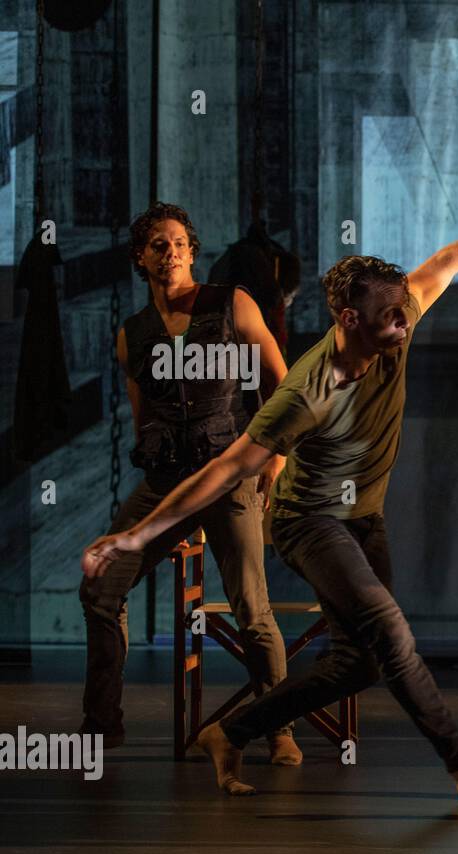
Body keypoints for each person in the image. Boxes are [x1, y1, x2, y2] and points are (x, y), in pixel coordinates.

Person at [82, 225, 458, 808]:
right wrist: (134, 536)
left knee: (360, 665)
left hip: (363, 520)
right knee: (394, 633)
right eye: (389, 314)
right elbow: (224, 470)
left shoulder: (400, 320)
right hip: (309, 523)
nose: (404, 322)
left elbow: (451, 256)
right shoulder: (307, 392)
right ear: (349, 319)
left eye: (405, 309)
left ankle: (230, 732)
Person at [78, 202, 299, 764]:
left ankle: (278, 729)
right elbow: (142, 417)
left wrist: (273, 458)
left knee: (252, 607)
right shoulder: (134, 335)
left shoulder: (232, 304)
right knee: (101, 589)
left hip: (227, 475)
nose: (170, 251)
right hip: (165, 485)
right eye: (157, 244)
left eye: (179, 243)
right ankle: (102, 727)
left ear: (192, 253)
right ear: (140, 258)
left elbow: (284, 385)